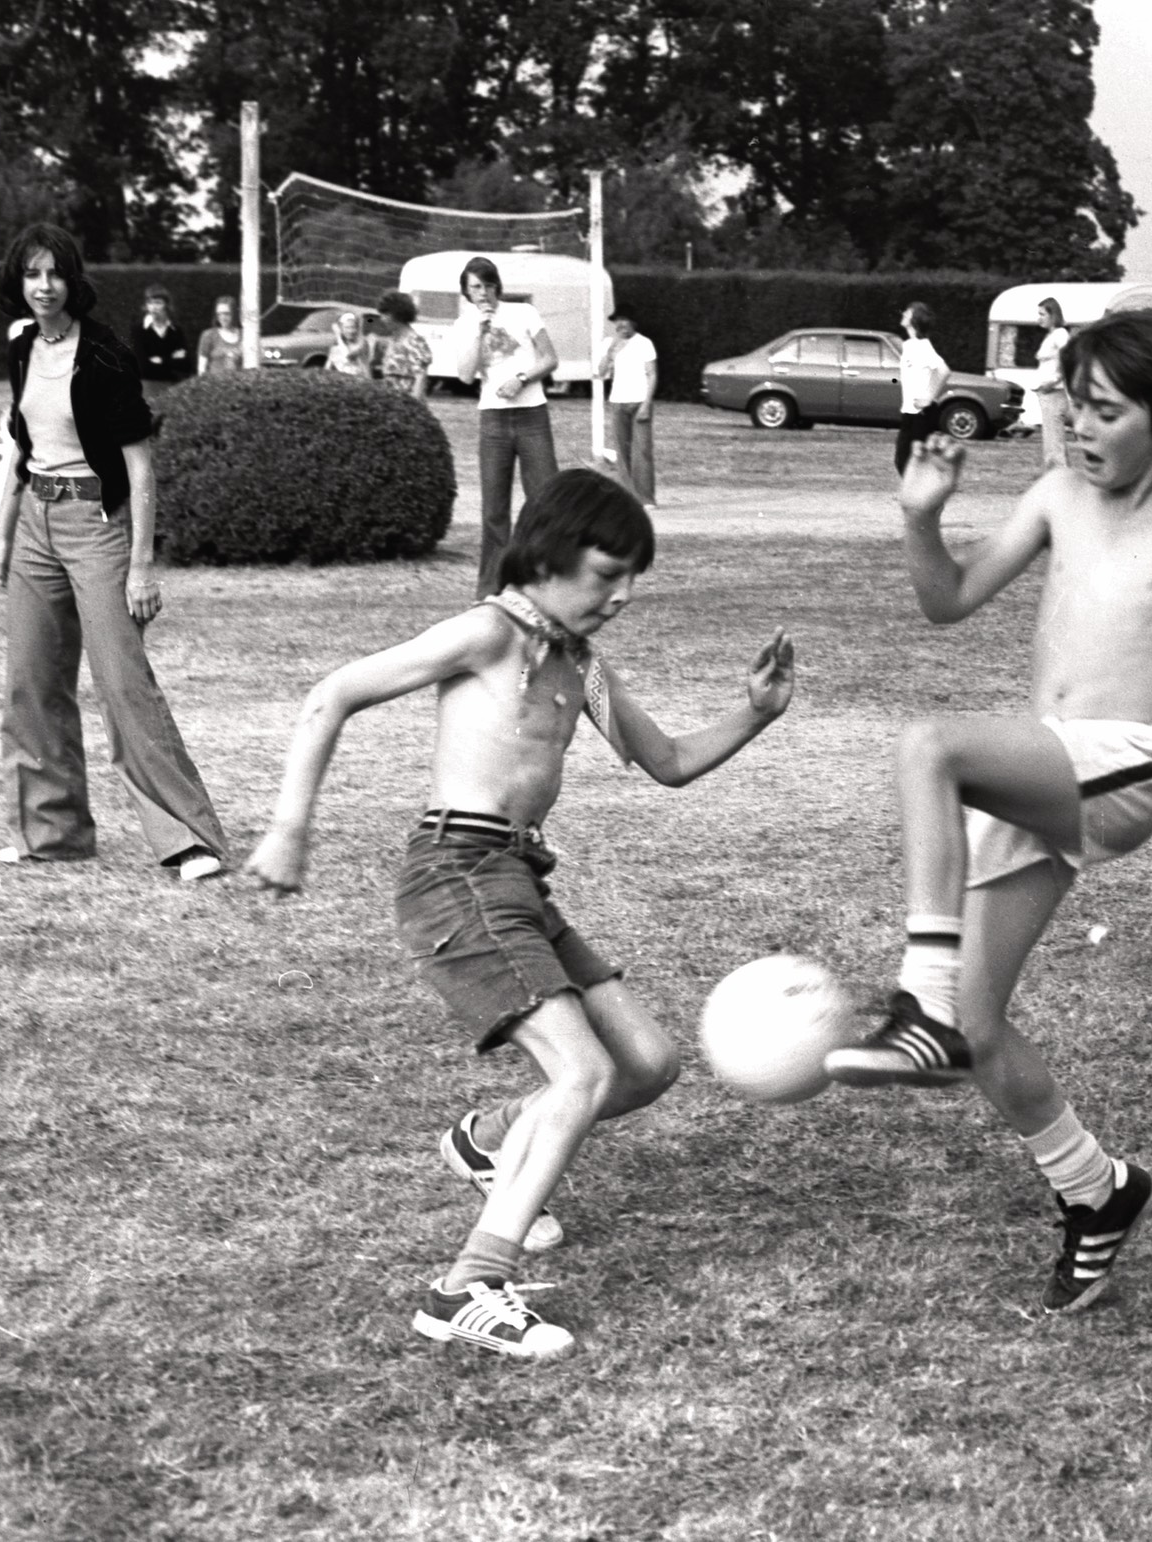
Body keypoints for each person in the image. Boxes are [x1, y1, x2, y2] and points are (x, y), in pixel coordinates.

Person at [821, 309, 1152, 1314]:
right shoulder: (1056, 496)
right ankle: (1095, 1188)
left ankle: (917, 1003)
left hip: (1132, 765)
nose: (1077, 425)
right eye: (1072, 405)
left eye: (1105, 411)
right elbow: (948, 601)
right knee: (982, 1027)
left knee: (930, 746)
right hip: (1047, 772)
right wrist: (920, 517)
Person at [244, 470, 796, 1360]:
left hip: (518, 878)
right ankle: (468, 1287)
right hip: (457, 871)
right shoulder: (489, 633)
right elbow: (332, 695)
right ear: (547, 557)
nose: (622, 595)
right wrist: (288, 830)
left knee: (646, 1065)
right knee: (580, 1072)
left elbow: (669, 762)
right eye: (607, 573)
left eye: (633, 578)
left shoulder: (581, 664)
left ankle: (487, 1141)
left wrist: (756, 713)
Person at [0, 222, 230, 882]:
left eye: (54, 273)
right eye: (32, 274)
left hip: (96, 524)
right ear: (18, 281)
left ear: (73, 280)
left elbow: (140, 466)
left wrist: (141, 565)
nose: (44, 286)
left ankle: (188, 840)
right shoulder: (21, 347)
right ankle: (51, 833)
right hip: (35, 523)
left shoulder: (105, 354)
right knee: (32, 681)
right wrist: (3, 529)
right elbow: (23, 446)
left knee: (122, 681)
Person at [445, 256, 560, 597]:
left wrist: (521, 379)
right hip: (493, 420)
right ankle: (490, 590)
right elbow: (466, 375)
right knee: (494, 509)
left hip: (532, 415)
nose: (483, 293)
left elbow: (550, 359)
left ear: (497, 285)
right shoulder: (464, 325)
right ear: (466, 292)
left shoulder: (524, 313)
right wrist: (479, 331)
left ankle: (546, 581)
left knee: (545, 499)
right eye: (475, 287)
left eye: (487, 285)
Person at [601, 315, 658, 507]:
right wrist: (610, 351)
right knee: (621, 451)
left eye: (625, 321)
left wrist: (646, 404)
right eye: (618, 322)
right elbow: (600, 372)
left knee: (642, 450)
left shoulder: (644, 343)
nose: (621, 325)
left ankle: (646, 498)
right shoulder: (609, 343)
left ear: (633, 323)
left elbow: (652, 374)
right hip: (618, 402)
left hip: (639, 401)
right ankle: (628, 497)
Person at [892, 301, 948, 475]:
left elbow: (944, 371)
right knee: (902, 461)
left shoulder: (922, 346)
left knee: (912, 461)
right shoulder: (909, 345)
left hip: (921, 414)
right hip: (909, 411)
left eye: (907, 312)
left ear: (915, 319)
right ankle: (921, 491)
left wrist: (929, 398)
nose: (903, 314)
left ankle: (926, 491)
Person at [1030, 297, 1072, 469]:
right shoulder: (1052, 336)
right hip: (1046, 394)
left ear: (1053, 315)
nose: (1039, 318)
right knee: (1052, 441)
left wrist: (1054, 381)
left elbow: (1067, 359)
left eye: (1042, 314)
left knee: (1054, 443)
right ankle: (1060, 476)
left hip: (1053, 393)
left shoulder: (1061, 334)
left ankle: (1058, 476)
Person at [374, 289, 434, 401]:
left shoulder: (414, 342)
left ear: (397, 315)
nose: (382, 318)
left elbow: (420, 377)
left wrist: (414, 405)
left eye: (385, 314)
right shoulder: (393, 341)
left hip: (406, 404)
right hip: (389, 402)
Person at [134, 286, 193, 386]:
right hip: (148, 385)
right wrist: (172, 359)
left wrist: (161, 360)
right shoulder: (139, 330)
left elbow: (186, 365)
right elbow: (142, 367)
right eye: (150, 303)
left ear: (166, 305)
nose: (153, 307)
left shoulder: (176, 330)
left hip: (172, 386)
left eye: (158, 303)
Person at [196, 296, 243, 376]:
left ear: (234, 313)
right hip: (215, 382)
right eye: (219, 314)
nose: (222, 317)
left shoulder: (244, 335)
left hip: (238, 381)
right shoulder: (209, 335)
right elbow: (201, 368)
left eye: (226, 314)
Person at [325, 311, 375, 379]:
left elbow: (348, 356)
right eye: (347, 327)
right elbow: (328, 367)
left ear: (357, 329)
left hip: (361, 380)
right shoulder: (336, 346)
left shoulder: (362, 343)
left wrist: (338, 335)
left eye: (353, 327)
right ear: (341, 329)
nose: (350, 331)